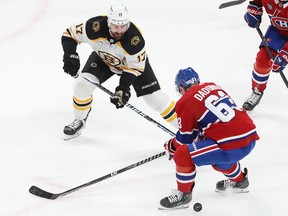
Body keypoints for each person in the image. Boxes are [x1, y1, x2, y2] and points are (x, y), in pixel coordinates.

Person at [61, 4, 178, 140]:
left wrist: (123, 88)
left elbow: (134, 68)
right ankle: (80, 120)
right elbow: (69, 34)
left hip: (132, 66)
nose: (120, 30)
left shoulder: (134, 40)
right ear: (108, 22)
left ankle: (188, 129)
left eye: (123, 26)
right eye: (116, 26)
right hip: (104, 59)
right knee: (81, 86)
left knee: (155, 99)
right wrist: (70, 55)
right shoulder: (94, 27)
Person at [159, 67, 259, 210]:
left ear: (181, 87)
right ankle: (240, 181)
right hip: (249, 136)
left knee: (183, 154)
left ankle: (183, 195)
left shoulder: (184, 102)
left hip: (230, 145)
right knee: (218, 159)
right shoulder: (212, 86)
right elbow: (219, 120)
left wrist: (171, 146)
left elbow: (184, 141)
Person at [242, 0, 288, 111]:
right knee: (262, 61)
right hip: (277, 32)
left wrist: (285, 54)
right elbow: (257, 2)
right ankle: (257, 90)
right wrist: (254, 9)